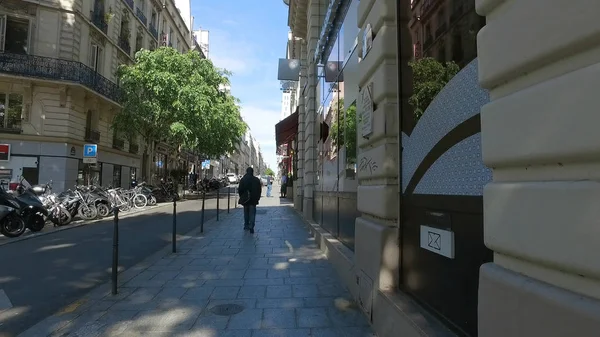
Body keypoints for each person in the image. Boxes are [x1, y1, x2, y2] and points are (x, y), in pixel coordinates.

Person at [238, 167, 262, 233]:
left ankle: (246, 225)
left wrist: (242, 197)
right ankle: (251, 226)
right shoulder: (256, 180)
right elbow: (259, 190)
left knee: (246, 213)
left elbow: (240, 190)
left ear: (246, 171)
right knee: (252, 213)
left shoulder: (243, 179)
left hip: (245, 199)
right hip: (253, 199)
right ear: (252, 172)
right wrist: (258, 197)